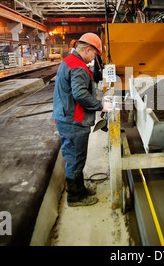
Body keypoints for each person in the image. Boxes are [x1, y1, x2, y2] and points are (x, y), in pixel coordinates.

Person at [52, 32, 111, 207]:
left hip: (66, 117)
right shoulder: (78, 66)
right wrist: (101, 106)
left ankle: (79, 189)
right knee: (76, 158)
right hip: (73, 120)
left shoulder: (69, 62)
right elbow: (80, 94)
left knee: (74, 156)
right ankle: (75, 196)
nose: (94, 57)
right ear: (87, 50)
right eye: (94, 53)